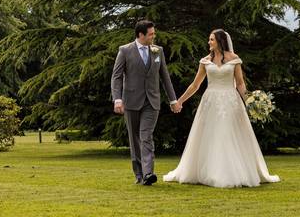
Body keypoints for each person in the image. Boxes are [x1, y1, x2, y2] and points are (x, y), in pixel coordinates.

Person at [163, 28, 281, 188]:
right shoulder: (205, 61)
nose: (209, 42)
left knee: (227, 134)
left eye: (211, 39)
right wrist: (180, 101)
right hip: (210, 102)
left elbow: (239, 83)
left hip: (231, 102)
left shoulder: (234, 59)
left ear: (220, 41)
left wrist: (250, 101)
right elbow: (195, 85)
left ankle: (231, 173)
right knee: (210, 136)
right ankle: (210, 172)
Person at [111, 20, 181, 185]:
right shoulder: (125, 51)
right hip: (131, 101)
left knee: (146, 135)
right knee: (135, 139)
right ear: (140, 35)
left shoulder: (158, 51)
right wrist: (117, 99)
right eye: (151, 34)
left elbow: (165, 77)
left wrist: (173, 100)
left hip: (152, 101)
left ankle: (149, 173)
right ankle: (139, 174)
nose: (153, 36)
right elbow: (117, 76)